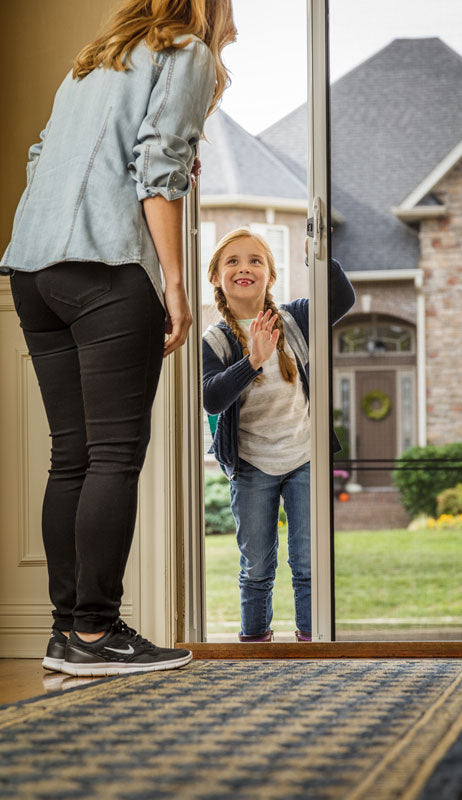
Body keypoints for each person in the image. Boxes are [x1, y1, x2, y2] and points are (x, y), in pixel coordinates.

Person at [0, 0, 236, 677]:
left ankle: (65, 633)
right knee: (112, 455)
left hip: (34, 270)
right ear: (206, 11)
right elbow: (157, 171)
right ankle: (98, 636)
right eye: (231, 30)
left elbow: (42, 156)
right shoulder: (185, 53)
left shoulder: (90, 62)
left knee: (71, 456)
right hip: (106, 271)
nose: (229, 43)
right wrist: (176, 283)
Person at [202, 228, 355, 642]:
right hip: (252, 465)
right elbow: (211, 398)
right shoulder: (215, 340)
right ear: (216, 276)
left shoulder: (296, 318)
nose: (244, 268)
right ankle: (255, 645)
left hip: (304, 456)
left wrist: (320, 260)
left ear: (270, 275)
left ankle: (310, 643)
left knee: (307, 564)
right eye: (232, 261)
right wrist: (252, 359)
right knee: (255, 568)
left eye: (255, 260)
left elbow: (342, 299)